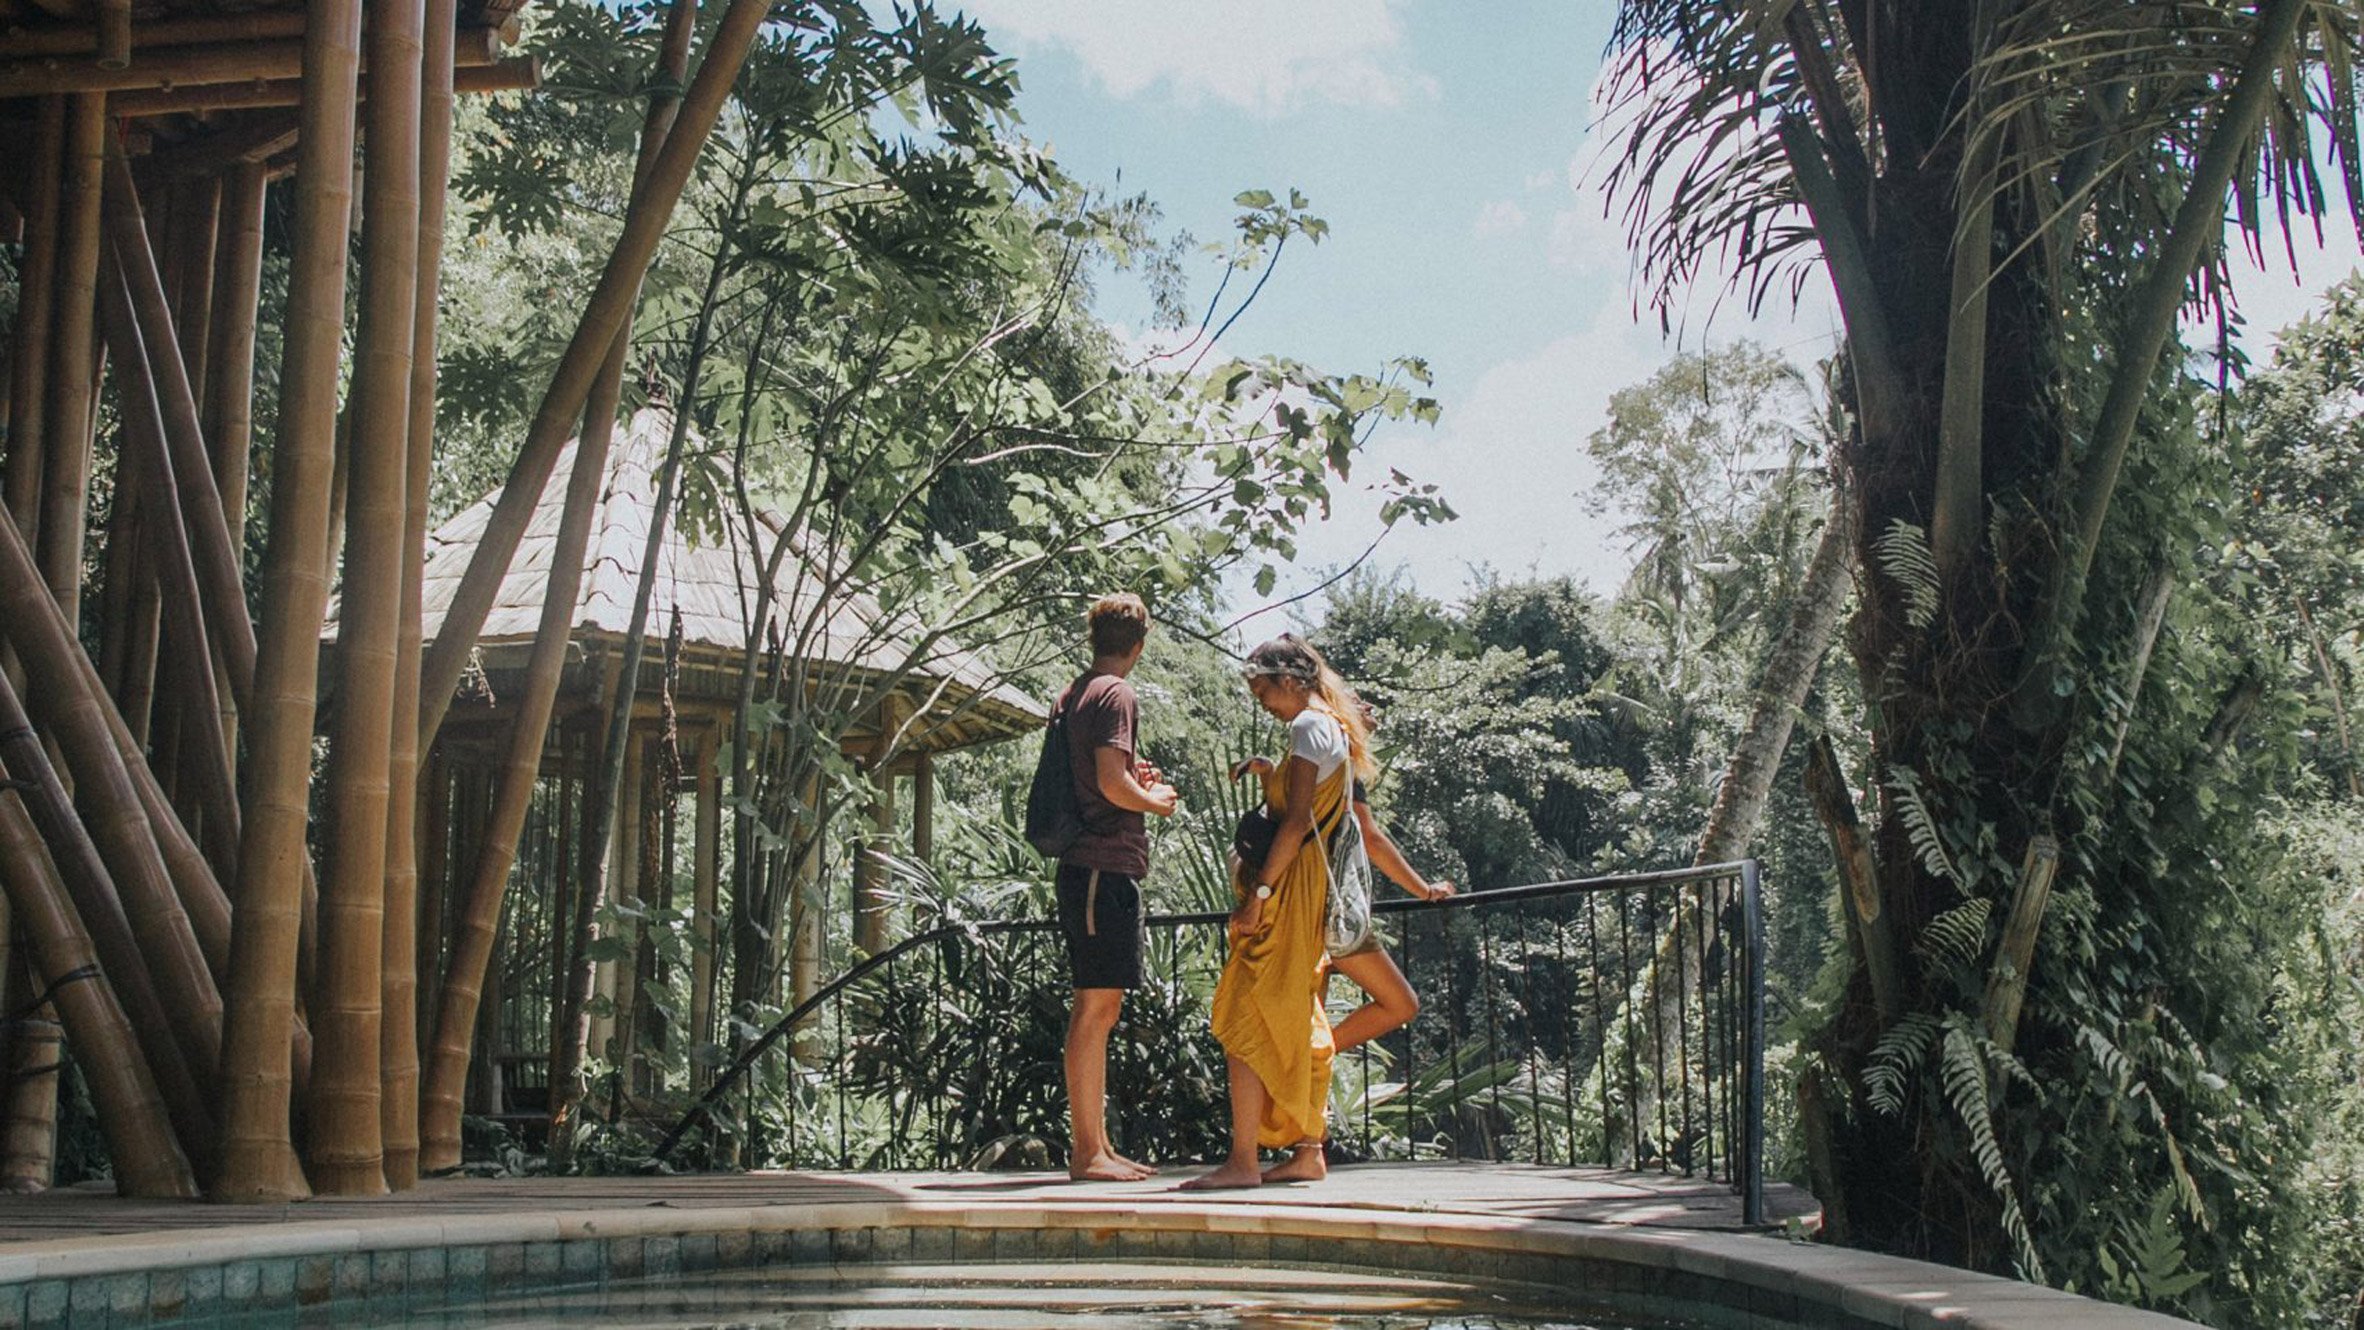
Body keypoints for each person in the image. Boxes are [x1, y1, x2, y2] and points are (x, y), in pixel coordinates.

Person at [1183, 634, 1369, 1190]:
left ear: (1288, 680)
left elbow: (1294, 824)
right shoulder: (1325, 726)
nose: (1258, 698)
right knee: (1297, 1008)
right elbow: (1302, 806)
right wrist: (1272, 774)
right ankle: (1308, 1149)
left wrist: (1258, 896)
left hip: (1289, 884)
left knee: (1245, 1009)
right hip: (1305, 882)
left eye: (1261, 687)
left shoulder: (1307, 727)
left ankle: (1243, 1161)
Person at [1251, 686, 1454, 1183]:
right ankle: (1306, 1136)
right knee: (1397, 1002)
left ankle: (1306, 1131)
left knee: (1323, 1020)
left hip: (1313, 906)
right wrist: (1422, 887)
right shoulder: (1332, 753)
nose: (1370, 715)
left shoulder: (1327, 753)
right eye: (1363, 707)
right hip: (1323, 911)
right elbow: (1367, 835)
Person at [1048, 593, 1179, 1182]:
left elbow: (1103, 774)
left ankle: (1096, 1146)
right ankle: (1087, 1153)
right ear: (1139, 646)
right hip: (1102, 866)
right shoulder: (1116, 693)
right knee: (1095, 1007)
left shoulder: (1076, 692)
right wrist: (1156, 801)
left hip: (1091, 868)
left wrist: (1134, 779)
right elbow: (1108, 781)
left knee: (1100, 1007)